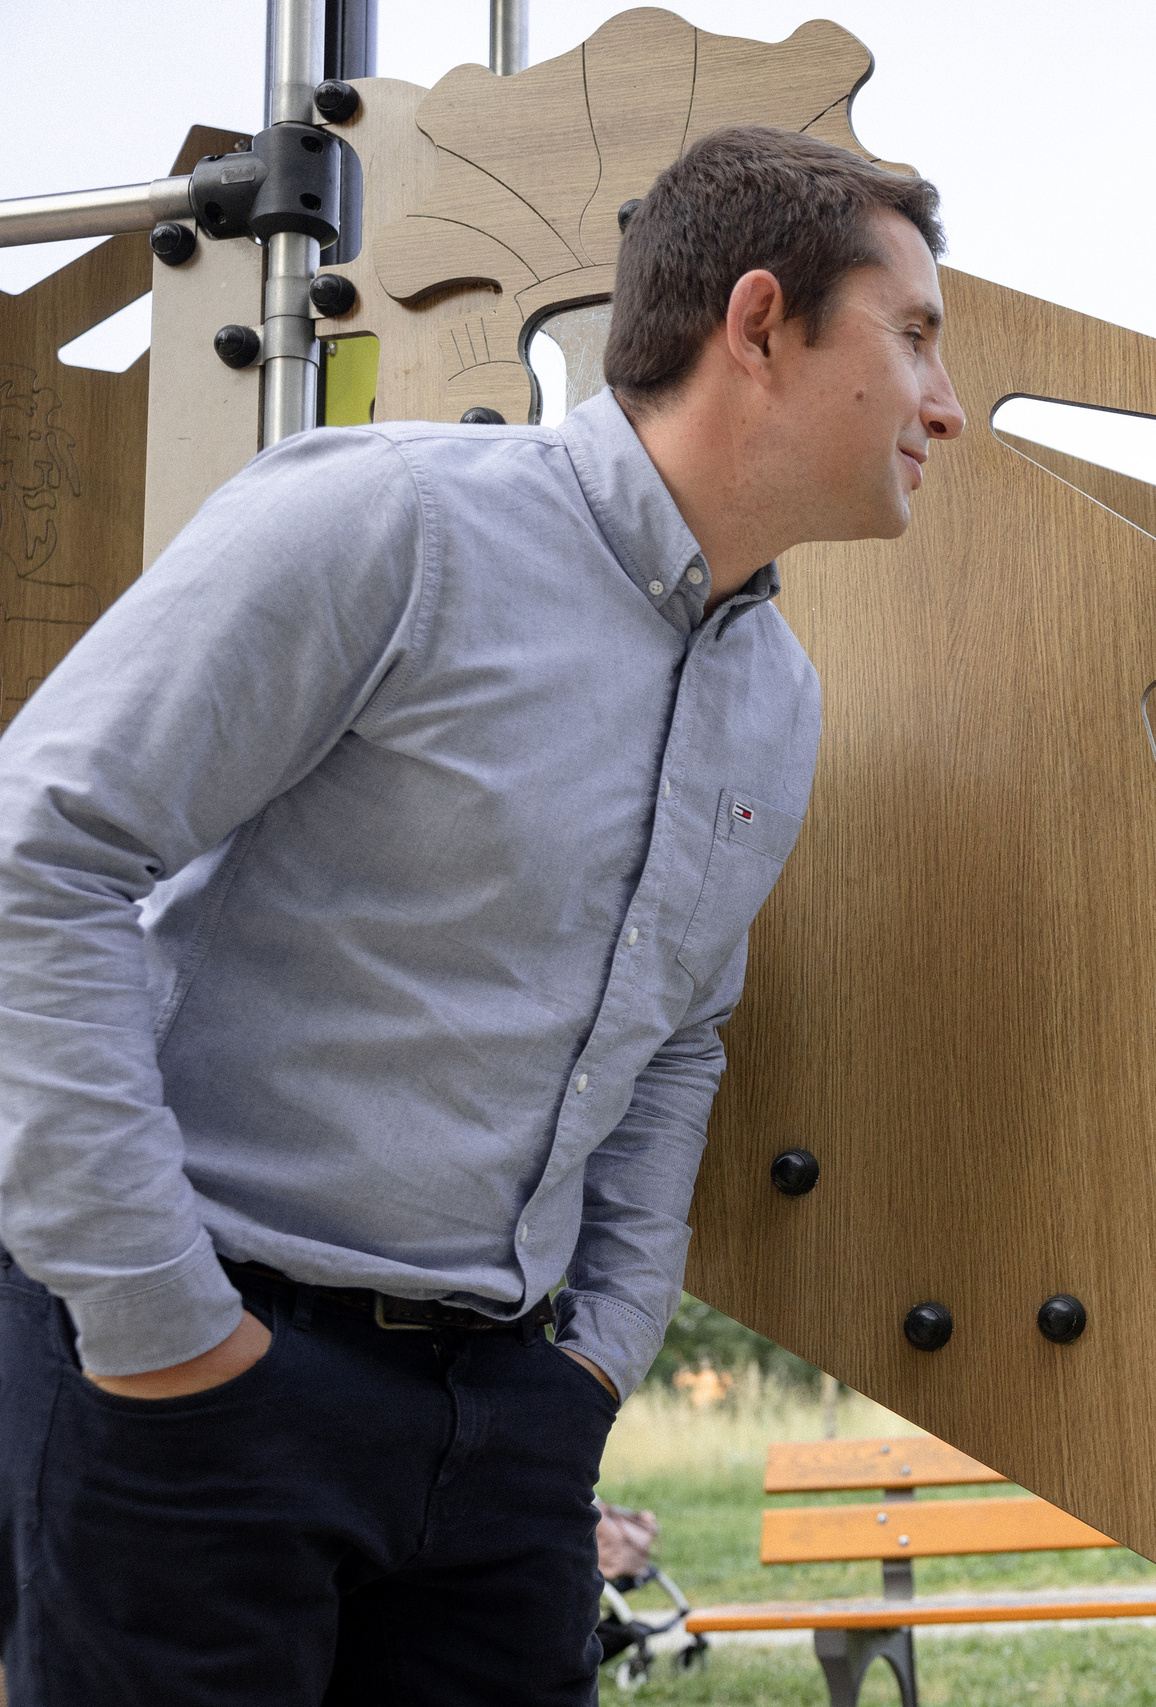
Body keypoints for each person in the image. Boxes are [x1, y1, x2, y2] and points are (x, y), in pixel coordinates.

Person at [0, 125, 963, 1702]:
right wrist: (159, 1320)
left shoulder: (775, 697)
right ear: (761, 323)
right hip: (195, 1378)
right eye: (913, 333)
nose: (946, 401)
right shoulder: (385, 526)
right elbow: (43, 853)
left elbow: (679, 1039)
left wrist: (591, 1362)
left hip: (504, 1436)